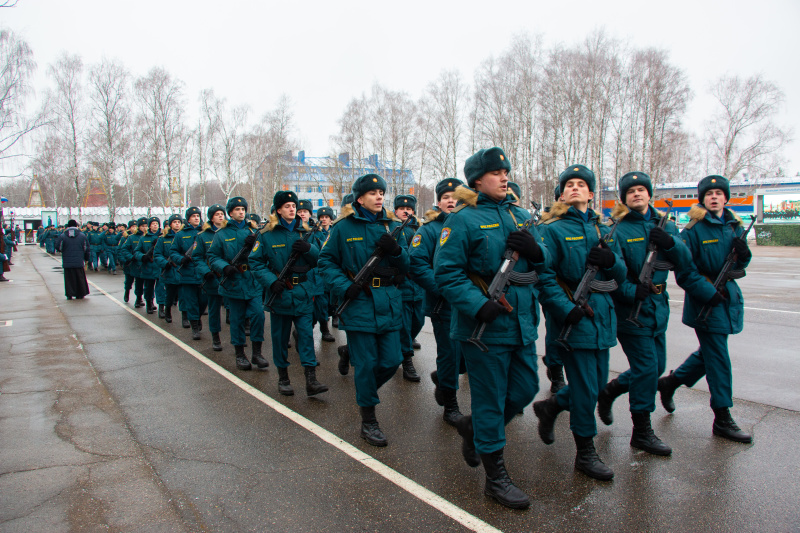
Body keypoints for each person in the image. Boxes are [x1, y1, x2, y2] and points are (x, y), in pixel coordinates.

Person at [434, 148, 550, 509]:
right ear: (477, 180)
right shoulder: (463, 221)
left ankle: (473, 429)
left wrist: (538, 249)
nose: (504, 177)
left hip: (522, 324)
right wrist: (477, 304)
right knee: (489, 401)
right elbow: (446, 274)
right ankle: (495, 479)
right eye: (496, 172)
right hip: (482, 329)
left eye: (505, 171)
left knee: (527, 388)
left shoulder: (520, 215)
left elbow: (543, 264)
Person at [533, 164, 627, 482]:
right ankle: (585, 453)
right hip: (574, 316)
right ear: (560, 194)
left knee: (597, 385)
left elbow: (622, 273)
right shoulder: (553, 229)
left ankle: (553, 406)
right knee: (587, 390)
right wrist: (563, 309)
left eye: (581, 184)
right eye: (568, 184)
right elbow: (543, 277)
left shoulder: (604, 229)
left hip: (602, 316)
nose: (575, 188)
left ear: (590, 192)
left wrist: (612, 261)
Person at [597, 172, 692, 456]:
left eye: (641, 190)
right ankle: (642, 431)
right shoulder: (617, 230)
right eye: (631, 192)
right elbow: (613, 273)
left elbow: (686, 262)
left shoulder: (666, 226)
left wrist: (670, 242)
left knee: (655, 367)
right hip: (632, 311)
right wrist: (629, 292)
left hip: (657, 306)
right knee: (647, 368)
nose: (637, 194)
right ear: (624, 198)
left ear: (649, 194)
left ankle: (611, 390)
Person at [658, 175, 754, 443]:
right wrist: (708, 293)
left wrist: (744, 253)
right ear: (702, 198)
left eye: (718, 193)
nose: (714, 197)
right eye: (709, 193)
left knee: (711, 353)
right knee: (718, 358)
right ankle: (722, 418)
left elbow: (740, 265)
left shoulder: (734, 226)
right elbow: (685, 272)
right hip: (706, 303)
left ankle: (671, 383)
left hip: (728, 298)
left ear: (726, 197)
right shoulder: (693, 230)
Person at [319, 174, 409, 447]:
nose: (379, 196)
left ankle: (358, 375)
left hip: (389, 301)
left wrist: (395, 251)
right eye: (372, 193)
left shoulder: (393, 225)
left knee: (393, 361)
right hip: (358, 302)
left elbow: (407, 265)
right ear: (360, 198)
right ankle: (368, 420)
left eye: (381, 192)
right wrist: (344, 286)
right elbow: (326, 263)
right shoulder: (343, 228)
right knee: (368, 365)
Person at [252, 191, 328, 397]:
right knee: (280, 338)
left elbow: (321, 259)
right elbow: (255, 263)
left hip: (303, 293)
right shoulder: (266, 235)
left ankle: (311, 380)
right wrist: (271, 282)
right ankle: (283, 378)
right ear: (278, 210)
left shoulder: (306, 233)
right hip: (281, 294)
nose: (292, 209)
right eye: (287, 206)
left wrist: (308, 249)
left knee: (306, 336)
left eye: (293, 205)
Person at [409, 178, 466, 426]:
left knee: (465, 356)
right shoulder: (430, 230)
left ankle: (443, 380)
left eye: (455, 196)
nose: (451, 200)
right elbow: (417, 264)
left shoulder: (470, 225)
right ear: (439, 202)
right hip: (444, 304)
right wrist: (444, 288)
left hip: (471, 303)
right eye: (446, 197)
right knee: (450, 354)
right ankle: (450, 405)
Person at [208, 197, 267, 371]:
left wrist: (253, 244)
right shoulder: (222, 234)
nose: (241, 212)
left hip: (252, 281)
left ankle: (257, 353)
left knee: (258, 316)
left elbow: (262, 255)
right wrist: (224, 267)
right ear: (231, 212)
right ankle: (240, 354)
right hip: (233, 282)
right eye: (237, 209)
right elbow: (212, 256)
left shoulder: (254, 231)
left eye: (243, 209)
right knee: (237, 320)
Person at [391, 194, 425, 382]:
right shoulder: (394, 229)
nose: (406, 211)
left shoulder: (420, 229)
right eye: (402, 208)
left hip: (418, 286)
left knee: (418, 322)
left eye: (409, 209)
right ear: (395, 210)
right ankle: (407, 361)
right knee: (404, 326)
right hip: (401, 286)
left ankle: (403, 346)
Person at [171, 207, 208, 339]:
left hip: (203, 273)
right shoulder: (180, 235)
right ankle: (195, 327)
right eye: (193, 216)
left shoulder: (205, 232)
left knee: (204, 301)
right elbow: (173, 252)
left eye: (198, 216)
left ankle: (197, 318)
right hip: (187, 273)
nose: (196, 218)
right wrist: (181, 259)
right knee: (191, 301)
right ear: (188, 219)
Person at [195, 205, 227, 351]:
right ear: (211, 217)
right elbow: (197, 258)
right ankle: (215, 336)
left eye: (222, 214)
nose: (221, 216)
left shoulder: (229, 232)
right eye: (217, 214)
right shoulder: (203, 236)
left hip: (229, 277)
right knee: (214, 309)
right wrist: (206, 272)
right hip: (212, 277)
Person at [310, 206, 335, 342]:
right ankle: (324, 330)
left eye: (326, 217)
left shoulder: (335, 232)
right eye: (321, 218)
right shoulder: (315, 234)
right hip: (320, 274)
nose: (323, 219)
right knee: (321, 303)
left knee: (330, 304)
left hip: (332, 272)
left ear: (331, 220)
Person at [155, 215, 182, 322]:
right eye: (174, 222)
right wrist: (165, 263)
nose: (177, 224)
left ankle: (185, 317)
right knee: (170, 294)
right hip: (169, 270)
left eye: (179, 222)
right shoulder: (163, 239)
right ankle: (167, 310)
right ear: (170, 224)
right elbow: (157, 254)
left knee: (184, 296)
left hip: (182, 269)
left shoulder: (184, 237)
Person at [55, 220, 90, 299]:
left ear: (68, 226)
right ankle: (80, 293)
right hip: (79, 261)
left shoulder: (63, 236)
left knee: (69, 279)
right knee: (79, 278)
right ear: (76, 226)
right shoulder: (82, 236)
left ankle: (69, 294)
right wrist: (86, 259)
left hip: (67, 262)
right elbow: (86, 249)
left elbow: (58, 247)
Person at [134, 217, 162, 314]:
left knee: (160, 288)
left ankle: (161, 308)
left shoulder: (163, 237)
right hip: (148, 266)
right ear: (149, 226)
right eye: (153, 223)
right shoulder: (143, 238)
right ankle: (149, 304)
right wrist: (143, 257)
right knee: (148, 288)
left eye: (157, 224)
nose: (155, 225)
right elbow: (137, 251)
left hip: (160, 266)